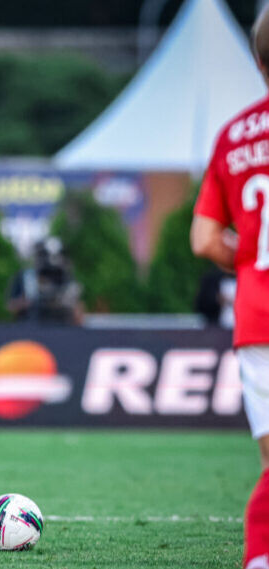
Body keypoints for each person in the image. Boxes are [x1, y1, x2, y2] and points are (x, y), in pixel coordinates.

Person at [190, 7, 269, 568]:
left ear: (258, 63)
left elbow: (202, 239)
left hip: (257, 316)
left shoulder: (233, 136)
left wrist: (247, 260)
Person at [6, 236, 83, 325]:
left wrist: (65, 302)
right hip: (30, 325)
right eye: (44, 255)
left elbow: (78, 313)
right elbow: (10, 306)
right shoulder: (26, 277)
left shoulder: (65, 278)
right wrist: (26, 302)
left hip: (60, 325)